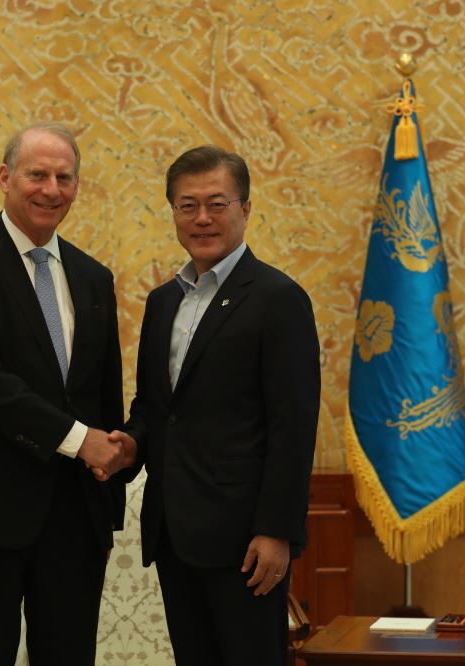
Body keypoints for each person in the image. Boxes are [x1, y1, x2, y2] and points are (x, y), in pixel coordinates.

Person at [0, 122, 132, 665]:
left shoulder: (93, 277)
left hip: (74, 517)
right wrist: (81, 440)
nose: (51, 190)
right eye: (37, 175)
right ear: (5, 178)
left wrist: (117, 458)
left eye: (65, 177)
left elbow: (102, 390)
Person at [109, 145, 320, 665]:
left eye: (216, 204)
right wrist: (130, 444)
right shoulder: (163, 302)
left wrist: (277, 531)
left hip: (246, 542)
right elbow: (156, 409)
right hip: (174, 532)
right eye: (188, 206)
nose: (201, 218)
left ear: (245, 209)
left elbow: (293, 425)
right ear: (173, 213)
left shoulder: (278, 299)